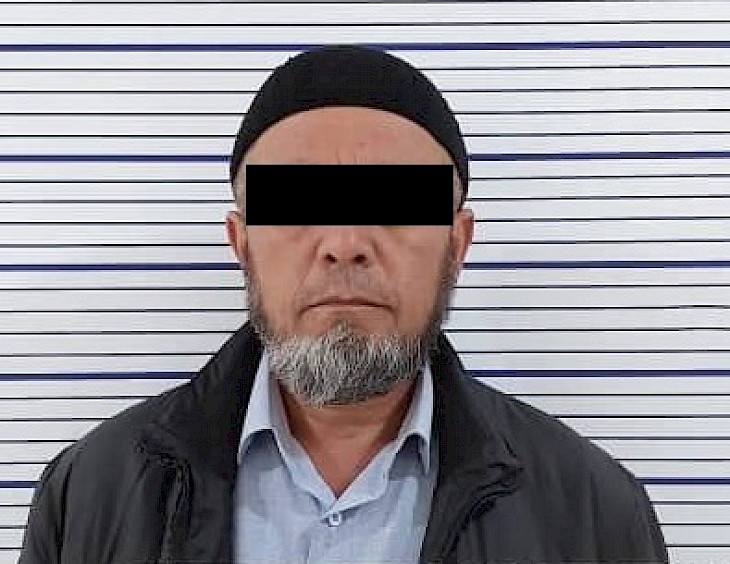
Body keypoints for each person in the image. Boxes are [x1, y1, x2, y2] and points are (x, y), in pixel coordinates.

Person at [19, 44, 668, 564]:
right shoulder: (89, 496)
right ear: (241, 243)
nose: (345, 243)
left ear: (458, 242)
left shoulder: (595, 515)